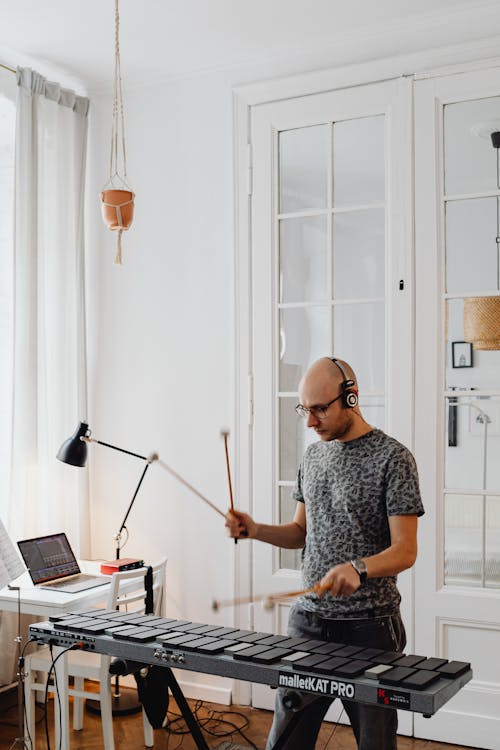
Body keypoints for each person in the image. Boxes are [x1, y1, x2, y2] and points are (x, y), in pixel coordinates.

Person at [225, 357, 425, 750]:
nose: (311, 422)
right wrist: (256, 529)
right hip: (309, 622)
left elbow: (406, 550)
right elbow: (300, 532)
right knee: (286, 742)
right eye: (305, 409)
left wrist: (360, 568)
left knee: (375, 743)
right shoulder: (313, 456)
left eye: (320, 409)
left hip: (370, 628)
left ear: (351, 397)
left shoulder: (393, 458)